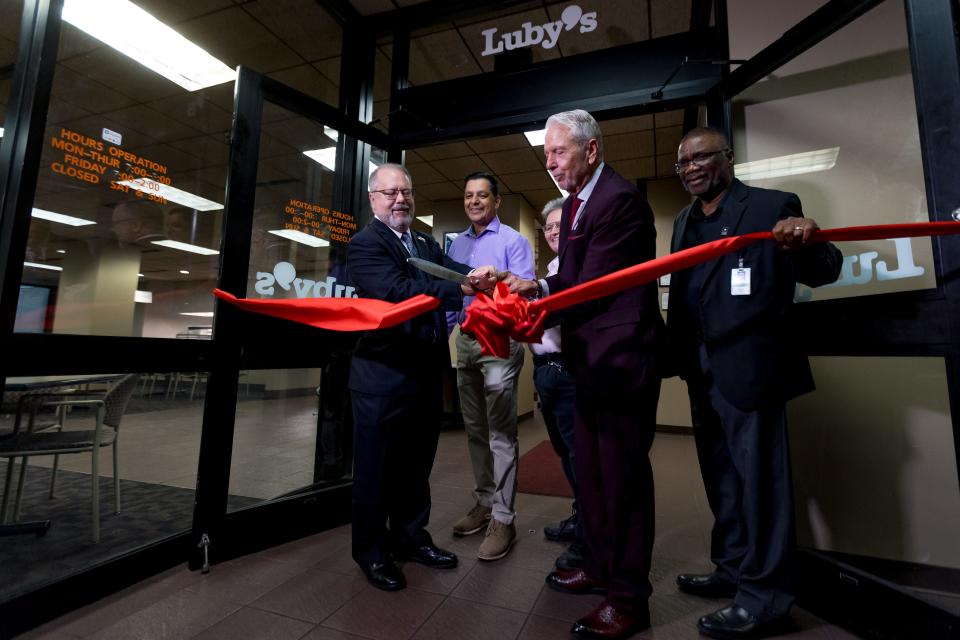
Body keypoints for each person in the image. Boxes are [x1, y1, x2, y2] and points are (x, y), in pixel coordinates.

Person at [667, 127, 842, 639]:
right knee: (721, 481)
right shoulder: (682, 221)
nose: (692, 167)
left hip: (752, 372)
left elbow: (826, 269)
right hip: (702, 371)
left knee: (761, 488)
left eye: (702, 156)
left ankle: (766, 599)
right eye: (683, 163)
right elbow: (686, 294)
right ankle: (733, 570)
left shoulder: (771, 207)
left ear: (729, 156)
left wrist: (808, 237)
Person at [508, 109, 664, 639]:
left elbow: (590, 287)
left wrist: (531, 301)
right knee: (593, 480)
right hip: (590, 365)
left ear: (590, 150)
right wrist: (529, 289)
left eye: (558, 151)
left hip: (621, 365)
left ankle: (628, 599)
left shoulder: (618, 200)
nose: (549, 162)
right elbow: (566, 278)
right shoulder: (577, 204)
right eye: (546, 153)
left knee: (621, 482)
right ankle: (598, 566)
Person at [346, 163, 499, 591]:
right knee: (376, 472)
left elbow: (451, 270)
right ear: (374, 199)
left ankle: (411, 537)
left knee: (416, 467)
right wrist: (462, 289)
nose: (401, 200)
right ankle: (373, 553)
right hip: (382, 377)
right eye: (391, 193)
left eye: (407, 192)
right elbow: (397, 290)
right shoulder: (364, 245)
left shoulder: (425, 242)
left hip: (424, 373)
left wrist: (478, 276)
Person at [446, 171, 534, 561]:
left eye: (483, 195)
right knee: (475, 429)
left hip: (499, 340)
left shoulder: (514, 241)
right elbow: (450, 296)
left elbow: (526, 291)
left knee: (500, 432)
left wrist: (501, 278)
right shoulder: (456, 246)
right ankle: (484, 503)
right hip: (465, 341)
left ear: (497, 201)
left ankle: (504, 517)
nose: (475, 201)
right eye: (469, 196)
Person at [530, 198, 581, 567]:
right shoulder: (551, 267)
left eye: (559, 224)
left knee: (580, 453)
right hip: (546, 370)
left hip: (568, 368)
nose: (552, 231)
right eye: (547, 227)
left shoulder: (576, 264)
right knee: (565, 451)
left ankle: (592, 529)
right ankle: (582, 516)